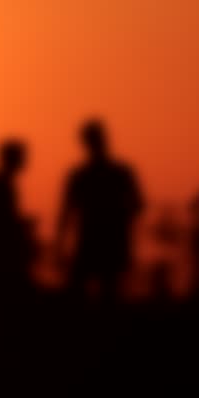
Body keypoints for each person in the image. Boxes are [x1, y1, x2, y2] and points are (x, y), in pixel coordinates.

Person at [56, 119, 144, 302]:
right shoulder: (116, 173)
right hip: (98, 240)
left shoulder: (87, 174)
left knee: (102, 292)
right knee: (96, 292)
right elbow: (137, 206)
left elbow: (137, 205)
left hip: (105, 241)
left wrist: (60, 243)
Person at [0, 138, 38, 294]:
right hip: (4, 254)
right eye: (22, 156)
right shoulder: (2, 184)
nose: (25, 159)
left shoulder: (4, 183)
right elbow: (1, 221)